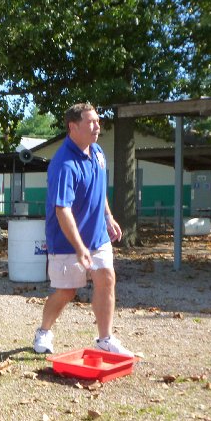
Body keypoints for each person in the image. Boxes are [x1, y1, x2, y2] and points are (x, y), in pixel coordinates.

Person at [33, 102, 133, 357]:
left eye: (97, 121)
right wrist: (79, 248)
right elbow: (62, 210)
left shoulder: (97, 152)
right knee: (67, 291)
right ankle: (43, 331)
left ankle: (105, 339)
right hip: (66, 241)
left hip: (97, 236)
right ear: (73, 127)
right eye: (91, 122)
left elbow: (99, 189)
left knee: (107, 278)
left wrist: (108, 216)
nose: (97, 126)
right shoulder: (64, 164)